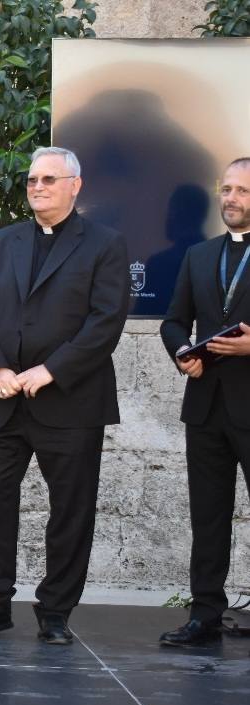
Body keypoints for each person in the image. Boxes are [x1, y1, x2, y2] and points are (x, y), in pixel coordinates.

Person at [0, 146, 129, 645]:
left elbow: (105, 322)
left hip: (71, 403)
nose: (37, 187)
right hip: (3, 400)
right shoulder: (0, 241)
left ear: (75, 186)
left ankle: (56, 611)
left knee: (71, 510)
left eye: (49, 179)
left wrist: (50, 370)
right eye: (32, 179)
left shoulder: (105, 244)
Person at [158, 157, 250, 648]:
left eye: (243, 191)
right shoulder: (199, 255)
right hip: (207, 408)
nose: (232, 198)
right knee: (208, 517)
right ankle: (205, 616)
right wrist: (181, 353)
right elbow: (174, 321)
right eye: (227, 189)